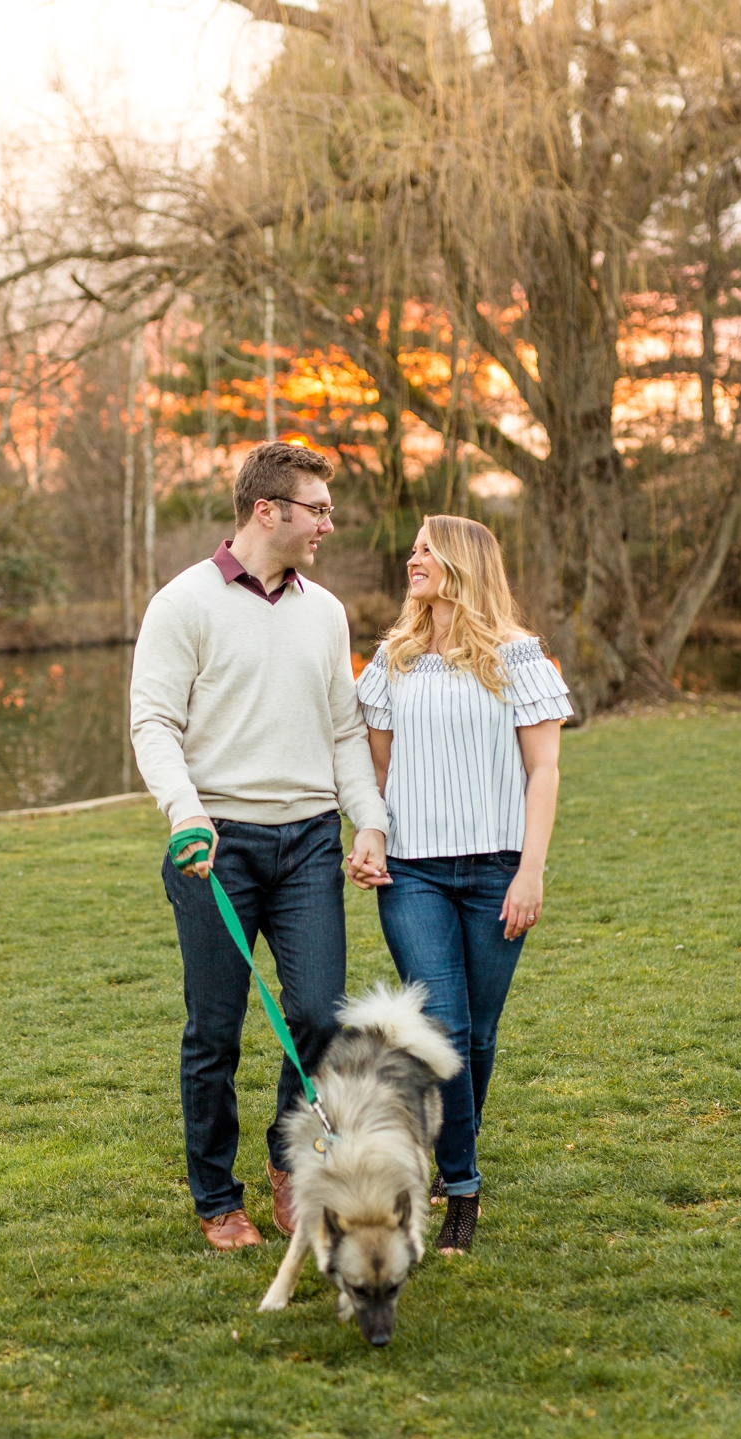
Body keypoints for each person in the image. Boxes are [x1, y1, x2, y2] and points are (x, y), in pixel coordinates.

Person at [130, 441, 391, 1251]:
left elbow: (346, 730)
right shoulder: (183, 605)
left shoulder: (326, 611)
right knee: (215, 1029)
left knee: (318, 1014)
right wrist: (185, 813)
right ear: (266, 511)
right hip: (218, 848)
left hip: (310, 841)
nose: (328, 524)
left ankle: (290, 1162)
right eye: (317, 509)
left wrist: (368, 821)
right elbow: (154, 723)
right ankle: (216, 1199)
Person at [354, 515, 569, 1254]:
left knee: (476, 1034)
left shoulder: (519, 657)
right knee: (441, 1030)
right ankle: (463, 1187)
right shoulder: (392, 660)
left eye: (426, 549)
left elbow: (544, 770)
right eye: (411, 546)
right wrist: (370, 832)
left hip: (496, 874)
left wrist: (531, 871)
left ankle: (450, 1158)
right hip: (412, 873)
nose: (412, 557)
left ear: (464, 562)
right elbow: (376, 773)